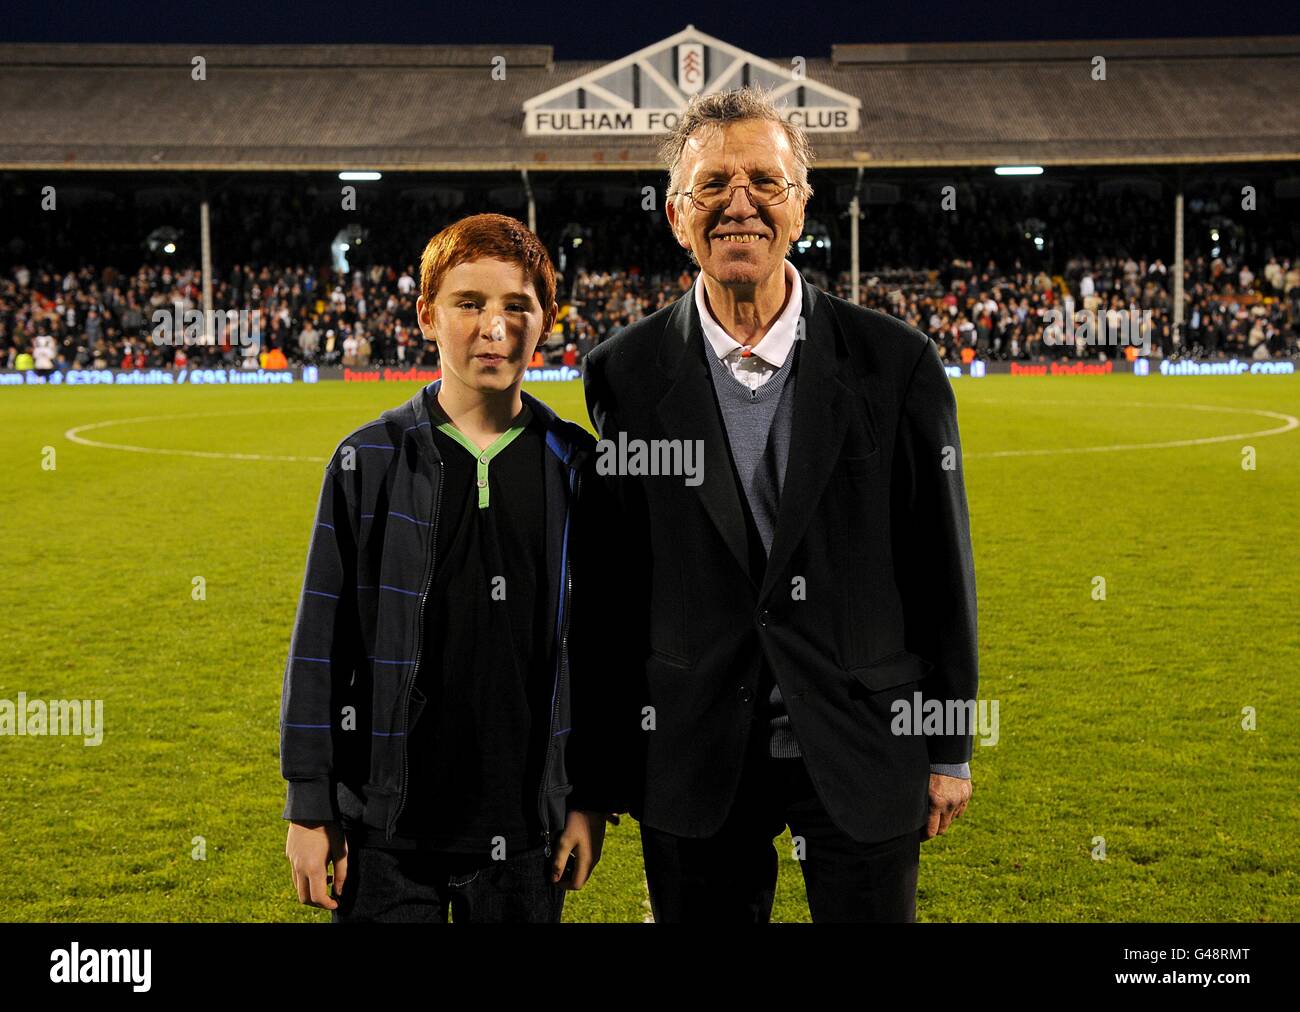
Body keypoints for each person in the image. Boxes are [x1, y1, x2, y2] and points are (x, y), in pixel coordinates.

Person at [583, 87, 978, 923]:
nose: (739, 204)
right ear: (674, 213)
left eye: (765, 181)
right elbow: (616, 588)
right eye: (713, 184)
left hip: (862, 739)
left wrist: (950, 745)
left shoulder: (894, 362)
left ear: (801, 204)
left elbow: (941, 569)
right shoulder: (623, 372)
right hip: (693, 751)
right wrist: (603, 769)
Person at [281, 213, 617, 922]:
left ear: (546, 321)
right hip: (388, 835)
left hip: (530, 835)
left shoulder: (579, 467)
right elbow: (320, 643)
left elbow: (598, 651)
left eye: (516, 305)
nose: (493, 327)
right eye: (469, 304)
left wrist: (589, 799)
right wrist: (310, 808)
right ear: (427, 315)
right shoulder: (366, 460)